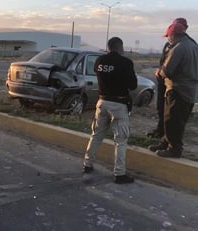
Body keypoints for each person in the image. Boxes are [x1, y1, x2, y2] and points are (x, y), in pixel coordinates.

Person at [82, 37, 138, 184]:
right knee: (120, 140)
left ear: (108, 47)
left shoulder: (99, 61)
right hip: (119, 105)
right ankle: (119, 174)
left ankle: (87, 164)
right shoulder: (125, 63)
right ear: (121, 47)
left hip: (102, 102)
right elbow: (133, 85)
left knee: (96, 135)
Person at [148, 22, 198, 158]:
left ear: (173, 35)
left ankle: (174, 149)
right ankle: (165, 142)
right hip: (190, 90)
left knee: (172, 120)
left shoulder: (178, 48)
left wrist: (159, 72)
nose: (168, 39)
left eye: (168, 37)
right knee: (175, 120)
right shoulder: (194, 46)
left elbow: (167, 71)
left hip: (177, 90)